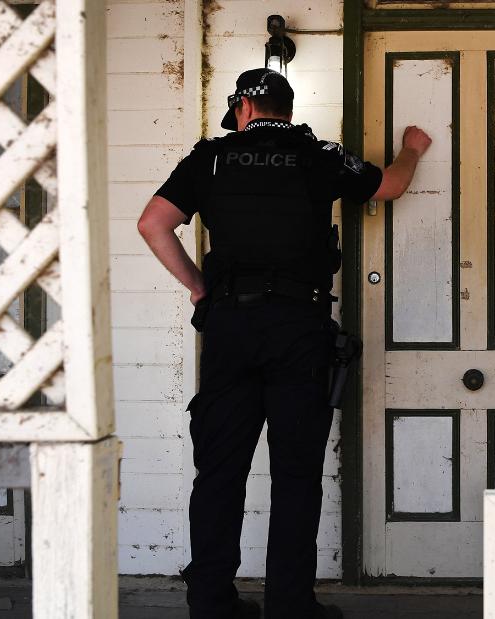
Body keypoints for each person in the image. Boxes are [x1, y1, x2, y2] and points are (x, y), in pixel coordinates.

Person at [137, 68, 432, 619]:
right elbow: (390, 185)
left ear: (243, 110)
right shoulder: (316, 155)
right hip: (299, 327)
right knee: (296, 474)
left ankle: (212, 604)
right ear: (286, 110)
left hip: (229, 327)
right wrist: (411, 149)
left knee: (220, 471)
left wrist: (200, 288)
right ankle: (291, 606)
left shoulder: (212, 158)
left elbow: (153, 223)